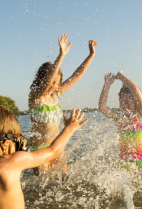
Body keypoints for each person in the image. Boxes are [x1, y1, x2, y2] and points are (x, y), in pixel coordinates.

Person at [29, 33, 97, 175]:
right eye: (51, 82)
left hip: (56, 145)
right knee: (42, 183)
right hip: (39, 148)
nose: (53, 86)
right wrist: (61, 56)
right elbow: (47, 81)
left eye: (57, 82)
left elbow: (76, 76)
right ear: (41, 79)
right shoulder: (35, 97)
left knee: (64, 179)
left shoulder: (56, 95)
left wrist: (90, 55)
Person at [98, 71, 142, 174]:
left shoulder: (141, 116)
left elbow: (135, 90)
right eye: (121, 101)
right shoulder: (120, 119)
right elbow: (102, 107)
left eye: (128, 101)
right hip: (123, 163)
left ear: (136, 102)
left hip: (141, 164)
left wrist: (121, 76)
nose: (124, 104)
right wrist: (107, 85)